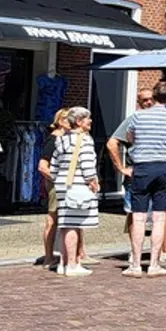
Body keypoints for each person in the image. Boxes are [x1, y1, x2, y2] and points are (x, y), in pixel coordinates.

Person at [108, 80, 166, 277]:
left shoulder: (137, 117)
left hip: (142, 167)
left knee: (138, 217)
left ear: (154, 96)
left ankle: (135, 264)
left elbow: (130, 138)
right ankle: (154, 264)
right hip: (164, 167)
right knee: (159, 218)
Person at [51, 107, 99, 277]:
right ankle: (72, 264)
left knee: (64, 224)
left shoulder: (61, 139)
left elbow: (54, 165)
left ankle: (63, 263)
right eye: (87, 118)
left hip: (62, 184)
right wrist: (92, 180)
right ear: (79, 122)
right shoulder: (85, 139)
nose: (90, 121)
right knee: (73, 224)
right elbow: (87, 163)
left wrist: (57, 179)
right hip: (77, 184)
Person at [34, 107, 72, 269]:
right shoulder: (54, 139)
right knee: (52, 218)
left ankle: (74, 254)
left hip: (67, 183)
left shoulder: (68, 139)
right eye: (69, 119)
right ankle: (49, 257)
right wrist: (58, 179)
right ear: (61, 121)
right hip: (56, 184)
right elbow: (42, 166)